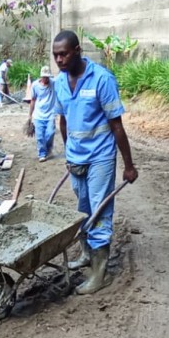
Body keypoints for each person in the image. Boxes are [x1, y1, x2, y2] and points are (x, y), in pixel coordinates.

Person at [52, 30, 138, 294]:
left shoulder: (101, 79)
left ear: (77, 50)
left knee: (100, 211)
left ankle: (101, 274)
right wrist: (68, 155)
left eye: (63, 54)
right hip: (76, 158)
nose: (59, 60)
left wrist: (128, 165)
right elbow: (63, 121)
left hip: (100, 157)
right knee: (83, 208)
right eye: (56, 55)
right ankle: (87, 254)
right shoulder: (59, 83)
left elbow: (116, 125)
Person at [27, 66, 58, 162]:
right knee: (40, 136)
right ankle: (42, 153)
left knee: (50, 133)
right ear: (41, 76)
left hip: (50, 114)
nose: (46, 79)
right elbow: (33, 100)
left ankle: (48, 148)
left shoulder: (54, 83)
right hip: (39, 115)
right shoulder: (35, 85)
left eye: (47, 77)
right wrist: (30, 115)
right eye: (44, 77)